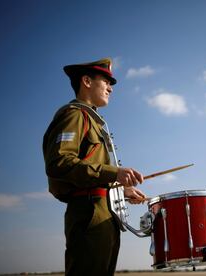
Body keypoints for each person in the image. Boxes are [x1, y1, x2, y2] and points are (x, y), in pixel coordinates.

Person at [43, 58, 146, 275]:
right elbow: (59, 162)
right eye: (106, 81)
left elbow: (91, 172)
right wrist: (114, 173)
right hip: (89, 213)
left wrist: (121, 190)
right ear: (87, 81)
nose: (110, 88)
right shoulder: (74, 114)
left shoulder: (92, 118)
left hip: (104, 213)